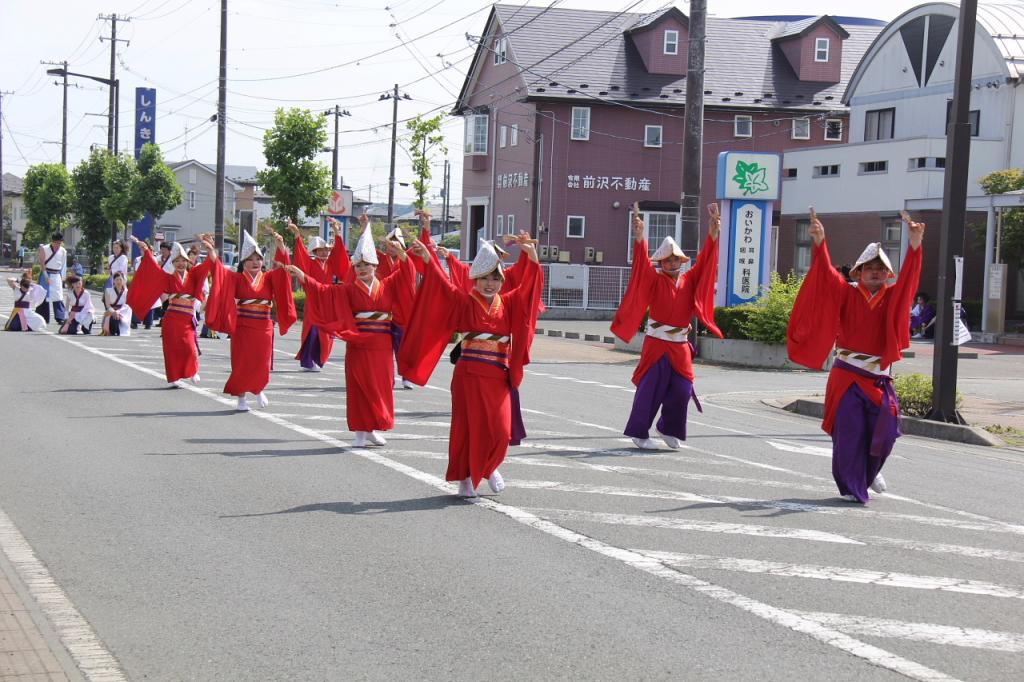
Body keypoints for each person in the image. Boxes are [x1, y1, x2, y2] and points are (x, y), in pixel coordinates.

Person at [787, 209, 925, 503]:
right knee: (849, 432)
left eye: (880, 268)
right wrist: (820, 242)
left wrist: (914, 245)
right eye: (869, 267)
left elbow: (911, 280)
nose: (875, 272)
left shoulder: (893, 297)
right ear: (858, 272)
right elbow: (825, 274)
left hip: (878, 377)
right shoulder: (846, 292)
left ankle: (870, 470)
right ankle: (851, 485)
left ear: (888, 274)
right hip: (847, 374)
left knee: (885, 432)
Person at [398, 235, 543, 498]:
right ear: (475, 278)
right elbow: (442, 287)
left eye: (495, 278)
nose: (490, 284)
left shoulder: (509, 302)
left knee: (500, 430)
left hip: (498, 374)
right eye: (485, 278)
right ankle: (464, 478)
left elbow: (529, 290)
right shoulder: (464, 301)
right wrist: (430, 260)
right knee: (467, 427)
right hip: (468, 373)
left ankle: (489, 467)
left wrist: (532, 257)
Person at [286, 215, 415, 446]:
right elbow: (325, 291)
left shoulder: (388, 285)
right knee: (358, 386)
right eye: (358, 265)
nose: (362, 269)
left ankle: (374, 426)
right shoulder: (348, 289)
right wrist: (304, 276)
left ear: (376, 266)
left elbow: (407, 275)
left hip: (382, 343)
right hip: (358, 342)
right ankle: (359, 431)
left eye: (367, 265)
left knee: (382, 385)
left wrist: (403, 254)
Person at [611, 203, 723, 450]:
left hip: (680, 345)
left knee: (683, 389)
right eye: (668, 260)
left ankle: (667, 427)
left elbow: (706, 264)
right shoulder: (654, 278)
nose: (673, 263)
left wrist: (713, 233)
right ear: (661, 261)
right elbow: (640, 266)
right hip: (657, 344)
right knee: (650, 388)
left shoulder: (689, 279)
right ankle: (639, 432)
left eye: (676, 259)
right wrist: (640, 238)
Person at [205, 230, 297, 412]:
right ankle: (241, 398)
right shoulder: (237, 278)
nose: (255, 262)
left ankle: (258, 388)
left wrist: (281, 248)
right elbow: (219, 272)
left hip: (264, 326)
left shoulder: (269, 277)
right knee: (241, 362)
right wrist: (212, 252)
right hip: (243, 327)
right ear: (243, 263)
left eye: (258, 259)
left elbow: (283, 272)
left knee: (262, 361)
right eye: (250, 259)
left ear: (263, 261)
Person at [127, 236, 215, 387]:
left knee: (189, 347)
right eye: (177, 261)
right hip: (172, 318)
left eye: (183, 260)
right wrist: (146, 251)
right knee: (171, 349)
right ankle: (174, 377)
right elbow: (153, 270)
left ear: (187, 262)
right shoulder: (168, 278)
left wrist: (210, 249)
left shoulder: (194, 276)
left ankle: (192, 371)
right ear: (173, 264)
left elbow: (209, 264)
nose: (180, 263)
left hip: (187, 318)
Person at [273, 217, 350, 371]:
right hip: (314, 300)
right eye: (321, 250)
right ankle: (308, 361)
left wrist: (336, 232)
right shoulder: (311, 263)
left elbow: (341, 256)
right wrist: (297, 235)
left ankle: (319, 358)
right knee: (312, 331)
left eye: (326, 250)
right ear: (315, 251)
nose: (325, 252)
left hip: (328, 302)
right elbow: (301, 257)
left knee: (327, 332)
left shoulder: (330, 263)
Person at [36, 233, 67, 324]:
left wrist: (63, 278)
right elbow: (42, 263)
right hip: (46, 273)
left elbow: (63, 265)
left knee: (58, 296)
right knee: (44, 295)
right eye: (56, 243)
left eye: (60, 243)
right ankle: (43, 317)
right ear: (52, 241)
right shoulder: (44, 248)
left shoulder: (63, 251)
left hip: (57, 274)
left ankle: (60, 317)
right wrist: (45, 276)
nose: (58, 245)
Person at [100, 271, 132, 336]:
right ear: (113, 281)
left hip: (122, 313)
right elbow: (108, 306)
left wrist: (118, 312)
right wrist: (114, 312)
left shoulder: (127, 292)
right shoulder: (108, 291)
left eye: (120, 280)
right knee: (113, 318)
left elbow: (127, 306)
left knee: (117, 318)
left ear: (123, 281)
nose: (119, 282)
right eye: (117, 280)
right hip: (111, 312)